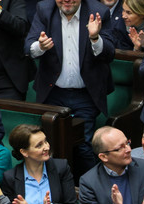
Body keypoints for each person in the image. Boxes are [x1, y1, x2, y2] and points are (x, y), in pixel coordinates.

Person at [25, 0, 115, 177]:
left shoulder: (98, 12)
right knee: (47, 144)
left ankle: (87, 191)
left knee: (84, 145)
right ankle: (52, 188)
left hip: (85, 94)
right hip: (53, 93)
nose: (67, 1)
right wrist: (40, 46)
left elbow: (110, 53)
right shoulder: (44, 9)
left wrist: (95, 38)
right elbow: (29, 47)